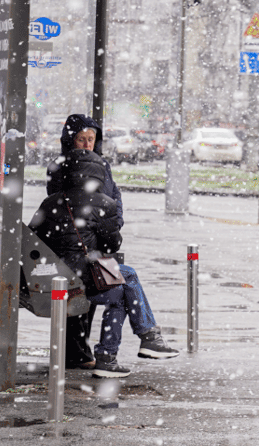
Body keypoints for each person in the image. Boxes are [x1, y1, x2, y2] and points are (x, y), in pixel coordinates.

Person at [47, 114, 177, 370]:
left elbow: (112, 205)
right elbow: (112, 236)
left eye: (90, 140)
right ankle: (143, 339)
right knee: (126, 281)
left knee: (120, 290)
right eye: (81, 140)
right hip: (84, 264)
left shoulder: (55, 202)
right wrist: (102, 220)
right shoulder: (75, 182)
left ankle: (108, 354)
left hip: (68, 264)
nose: (86, 144)